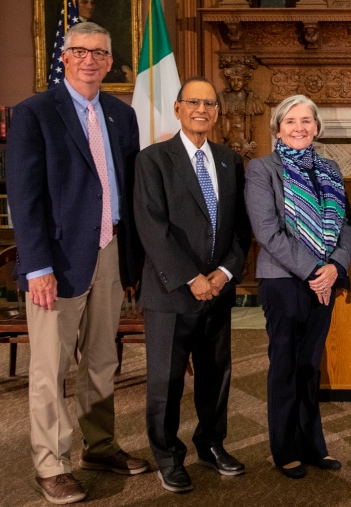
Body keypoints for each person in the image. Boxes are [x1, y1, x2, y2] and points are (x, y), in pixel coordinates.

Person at [6, 22, 148, 505]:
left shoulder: (120, 115)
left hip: (109, 251)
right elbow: (23, 199)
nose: (90, 59)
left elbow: (126, 189)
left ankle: (100, 445)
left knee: (102, 359)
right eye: (80, 51)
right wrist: (36, 266)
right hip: (57, 262)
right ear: (64, 57)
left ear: (111, 62)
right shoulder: (34, 114)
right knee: (51, 368)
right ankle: (52, 463)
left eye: (100, 53)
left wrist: (131, 262)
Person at [134, 76, 250, 493]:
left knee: (215, 373)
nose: (202, 109)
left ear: (217, 113)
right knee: (166, 380)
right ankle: (167, 456)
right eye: (193, 102)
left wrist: (223, 274)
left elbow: (240, 228)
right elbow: (152, 227)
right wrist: (191, 277)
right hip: (171, 291)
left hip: (217, 290)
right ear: (178, 108)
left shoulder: (229, 160)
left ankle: (211, 444)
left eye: (210, 103)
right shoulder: (153, 160)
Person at [246, 95, 351, 479]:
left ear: (316, 127)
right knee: (286, 365)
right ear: (277, 128)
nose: (299, 128)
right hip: (282, 279)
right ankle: (285, 449)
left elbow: (345, 226)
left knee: (310, 365)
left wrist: (335, 266)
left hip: (323, 280)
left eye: (307, 121)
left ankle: (313, 446)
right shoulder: (262, 170)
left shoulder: (328, 168)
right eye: (291, 121)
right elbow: (267, 232)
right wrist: (314, 270)